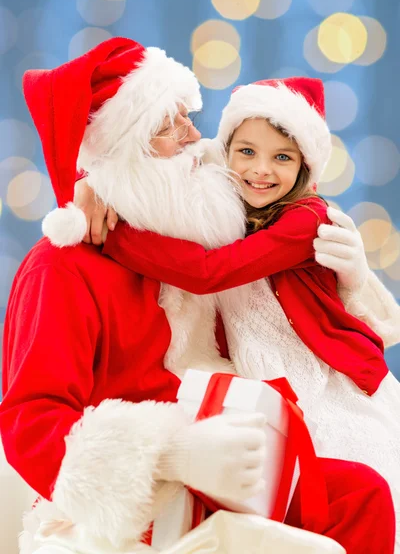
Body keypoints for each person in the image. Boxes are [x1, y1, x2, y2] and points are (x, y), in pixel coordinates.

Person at [0, 40, 396, 554]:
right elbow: (31, 424)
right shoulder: (61, 267)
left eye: (189, 116)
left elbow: (258, 178)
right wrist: (172, 454)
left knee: (362, 495)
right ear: (125, 151)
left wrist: (354, 279)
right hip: (133, 500)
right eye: (170, 124)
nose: (195, 136)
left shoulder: (193, 232)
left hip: (227, 467)